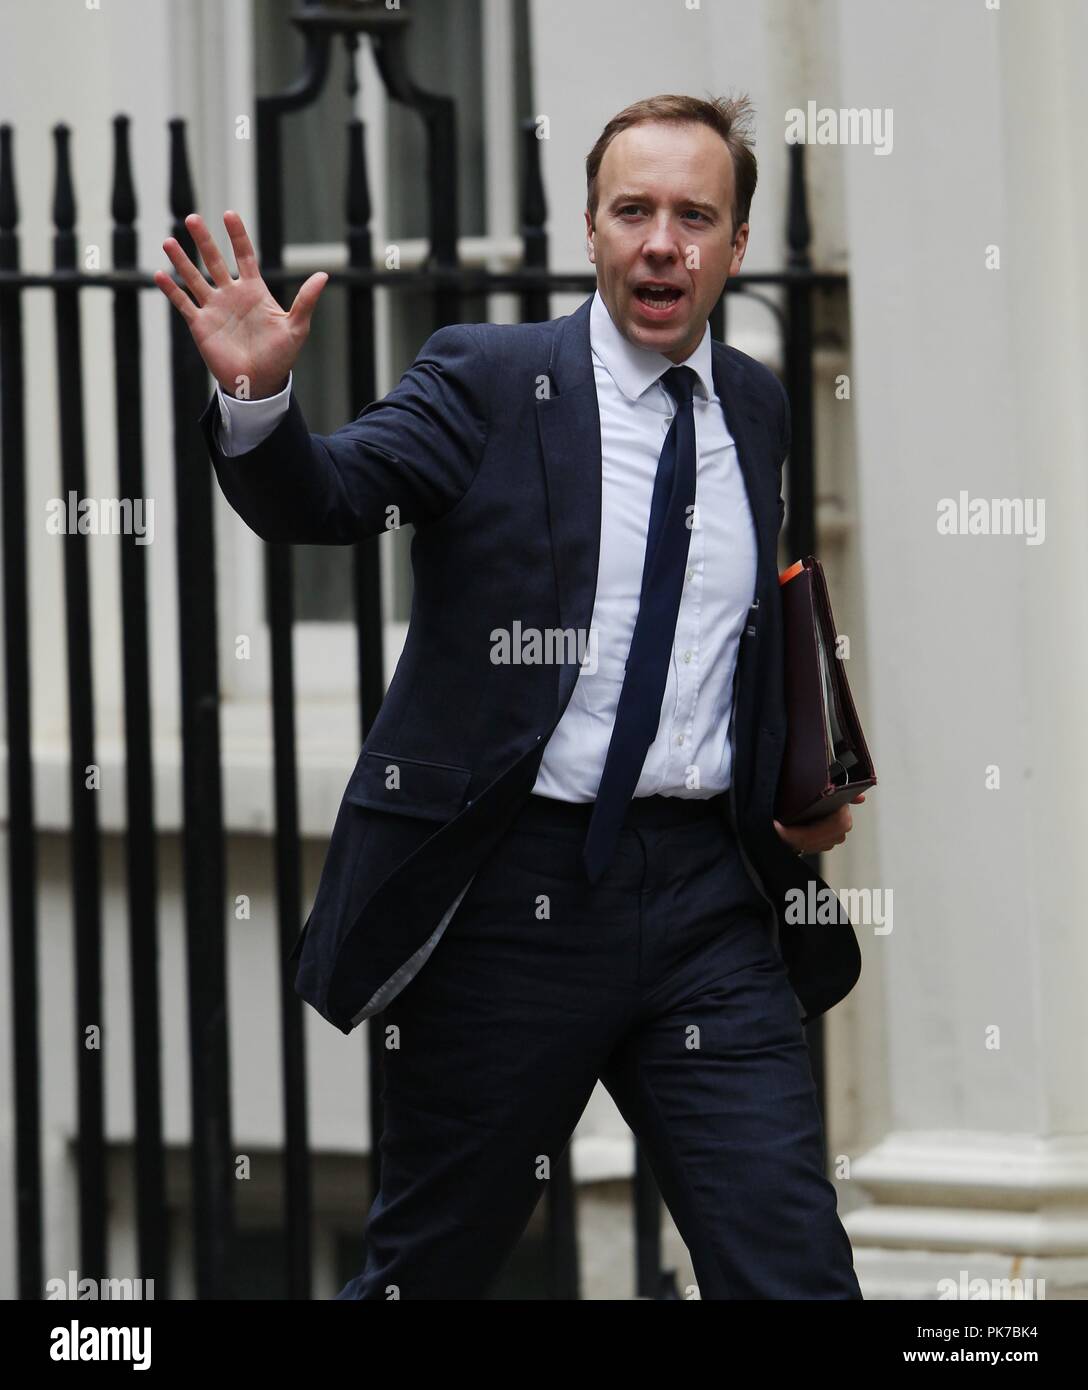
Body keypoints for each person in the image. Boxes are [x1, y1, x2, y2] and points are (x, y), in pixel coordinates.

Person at [156, 92, 866, 1300]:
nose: (661, 241)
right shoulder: (487, 380)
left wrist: (793, 766)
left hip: (707, 900)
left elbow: (719, 627)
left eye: (694, 215)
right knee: (427, 1272)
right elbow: (327, 500)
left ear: (734, 247)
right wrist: (261, 405)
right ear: (588, 230)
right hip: (515, 895)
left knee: (793, 1269)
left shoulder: (751, 403)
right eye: (632, 209)